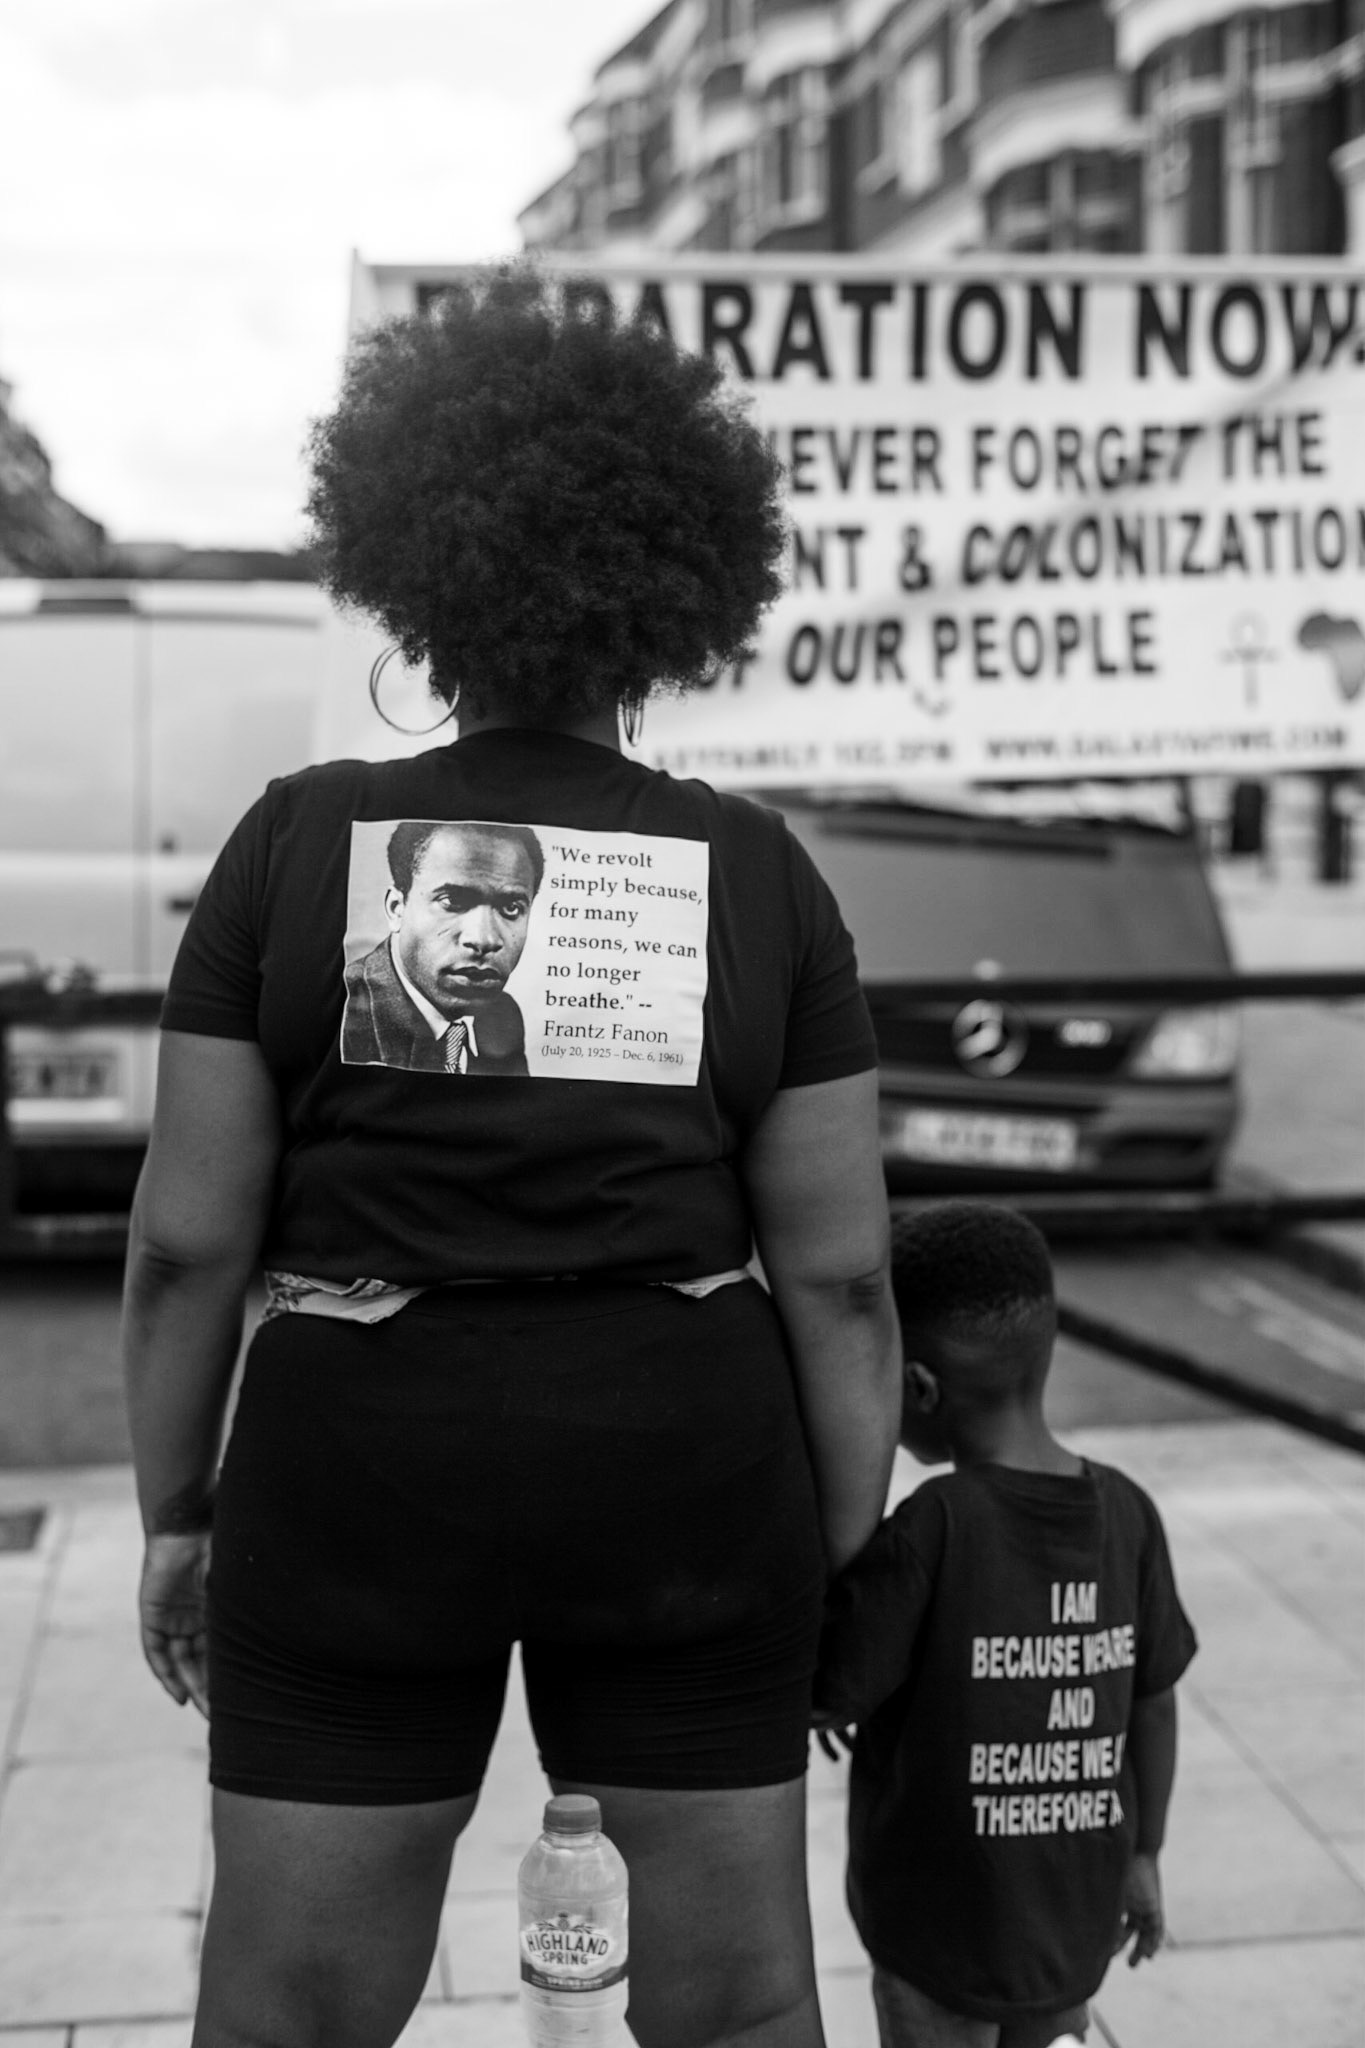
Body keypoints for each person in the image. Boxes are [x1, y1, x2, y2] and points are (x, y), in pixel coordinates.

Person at [122, 263, 902, 2048]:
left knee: (290, 2012)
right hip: (686, 1472)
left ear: (420, 582)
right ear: (668, 608)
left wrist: (181, 1511)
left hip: (357, 1465)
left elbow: (184, 1245)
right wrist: (831, 1546)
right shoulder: (757, 868)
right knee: (736, 2005)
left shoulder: (300, 839)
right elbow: (845, 1278)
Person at [814, 1201, 1196, 2048]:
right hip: (1071, 1917)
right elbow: (1154, 1703)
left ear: (916, 1387)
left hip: (934, 1927)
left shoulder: (932, 1525)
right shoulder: (1127, 1513)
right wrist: (1144, 1853)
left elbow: (828, 1686)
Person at [341, 818, 543, 1075]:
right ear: (396, 909)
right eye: (452, 901)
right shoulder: (345, 1010)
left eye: (511, 908)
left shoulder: (502, 1014)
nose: (483, 939)